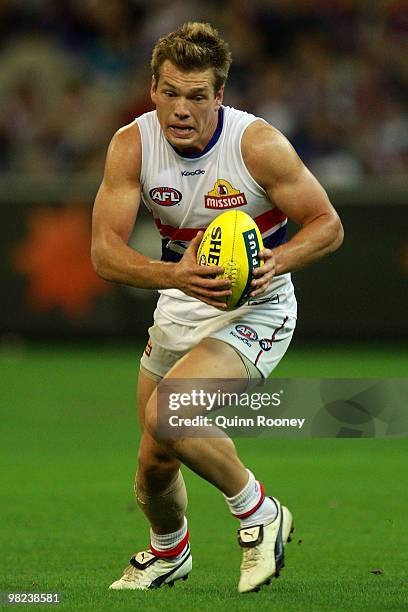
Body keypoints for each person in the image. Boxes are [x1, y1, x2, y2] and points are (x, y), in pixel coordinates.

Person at [91, 22, 343, 593]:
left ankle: (259, 514)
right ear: (153, 90)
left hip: (257, 307)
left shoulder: (257, 145)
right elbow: (104, 254)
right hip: (179, 304)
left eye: (198, 96)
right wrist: (174, 274)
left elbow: (328, 225)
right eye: (171, 93)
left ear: (219, 96)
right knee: (153, 469)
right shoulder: (131, 145)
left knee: (171, 415)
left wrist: (278, 262)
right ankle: (168, 553)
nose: (182, 109)